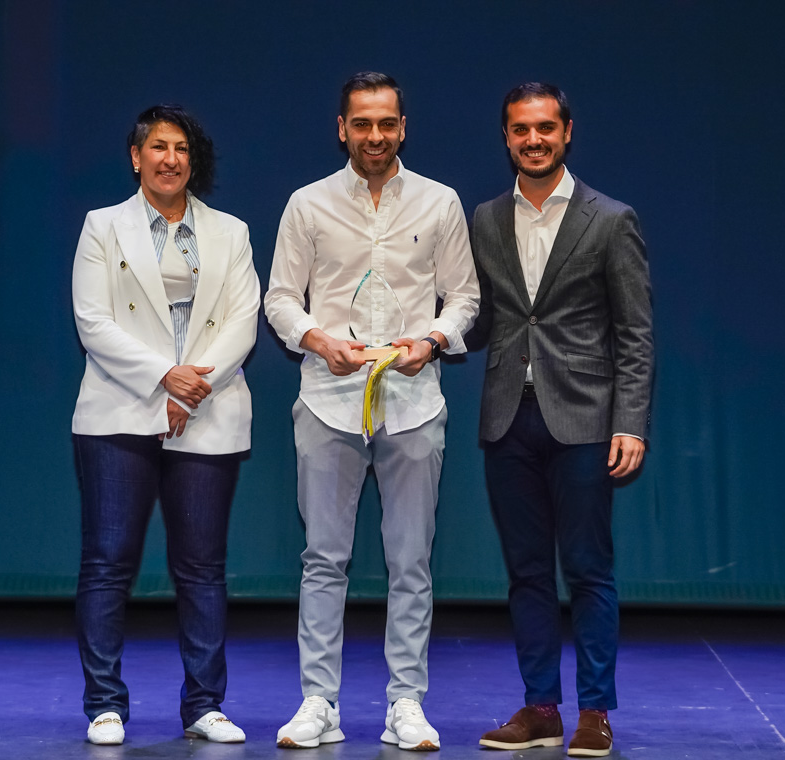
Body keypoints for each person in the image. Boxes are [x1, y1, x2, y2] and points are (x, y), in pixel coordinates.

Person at [264, 72, 479, 751]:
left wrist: (432, 340)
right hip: (328, 403)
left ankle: (405, 704)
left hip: (414, 402)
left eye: (387, 123)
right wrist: (318, 340)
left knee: (410, 561)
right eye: (363, 124)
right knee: (323, 559)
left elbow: (464, 298)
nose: (376, 136)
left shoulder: (440, 203)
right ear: (342, 128)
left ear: (403, 127)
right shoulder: (307, 204)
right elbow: (279, 300)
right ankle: (318, 703)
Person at [471, 83, 653, 758]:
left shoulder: (610, 219)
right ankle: (541, 706)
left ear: (568, 132)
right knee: (525, 572)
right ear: (506, 137)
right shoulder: (487, 219)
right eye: (521, 129)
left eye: (546, 128)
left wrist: (629, 422)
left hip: (585, 420)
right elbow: (482, 315)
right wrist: (426, 336)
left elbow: (635, 332)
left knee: (588, 570)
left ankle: (595, 713)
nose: (534, 140)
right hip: (507, 419)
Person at [70, 104, 260, 746]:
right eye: (158, 146)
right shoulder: (103, 226)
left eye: (181, 147)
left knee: (202, 567)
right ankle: (105, 704)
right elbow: (93, 323)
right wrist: (163, 378)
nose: (170, 158)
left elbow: (243, 320)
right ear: (136, 156)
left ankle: (204, 705)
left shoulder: (230, 232)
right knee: (107, 562)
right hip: (118, 414)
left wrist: (191, 386)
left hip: (208, 410)